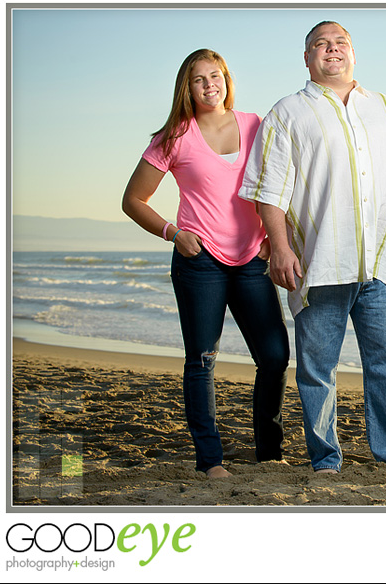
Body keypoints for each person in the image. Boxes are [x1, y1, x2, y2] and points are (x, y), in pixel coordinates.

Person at [239, 21, 386, 474]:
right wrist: (280, 248)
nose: (331, 50)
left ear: (354, 54)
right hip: (319, 264)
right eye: (320, 45)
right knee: (317, 369)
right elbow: (270, 191)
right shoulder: (287, 113)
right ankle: (326, 458)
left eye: (340, 43)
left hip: (381, 264)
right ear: (307, 59)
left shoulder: (384, 108)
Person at [122, 49, 290, 478]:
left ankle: (269, 452)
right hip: (200, 264)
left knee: (274, 356)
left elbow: (284, 181)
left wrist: (275, 236)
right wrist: (173, 234)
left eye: (215, 76)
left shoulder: (255, 125)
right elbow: (133, 200)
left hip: (252, 258)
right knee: (201, 360)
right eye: (199, 79)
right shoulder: (175, 136)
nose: (209, 84)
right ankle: (210, 460)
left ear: (227, 80)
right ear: (187, 87)